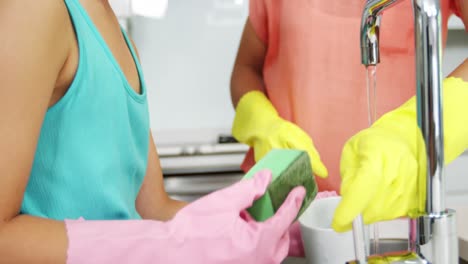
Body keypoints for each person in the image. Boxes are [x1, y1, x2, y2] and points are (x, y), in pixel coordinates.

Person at [0, 0, 307, 263]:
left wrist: (264, 226)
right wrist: (163, 245)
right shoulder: (35, 10)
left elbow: (154, 208)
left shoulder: (120, 39)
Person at [231, 0, 468, 232]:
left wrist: (412, 141)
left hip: (391, 220)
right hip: (277, 212)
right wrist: (261, 122)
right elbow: (246, 68)